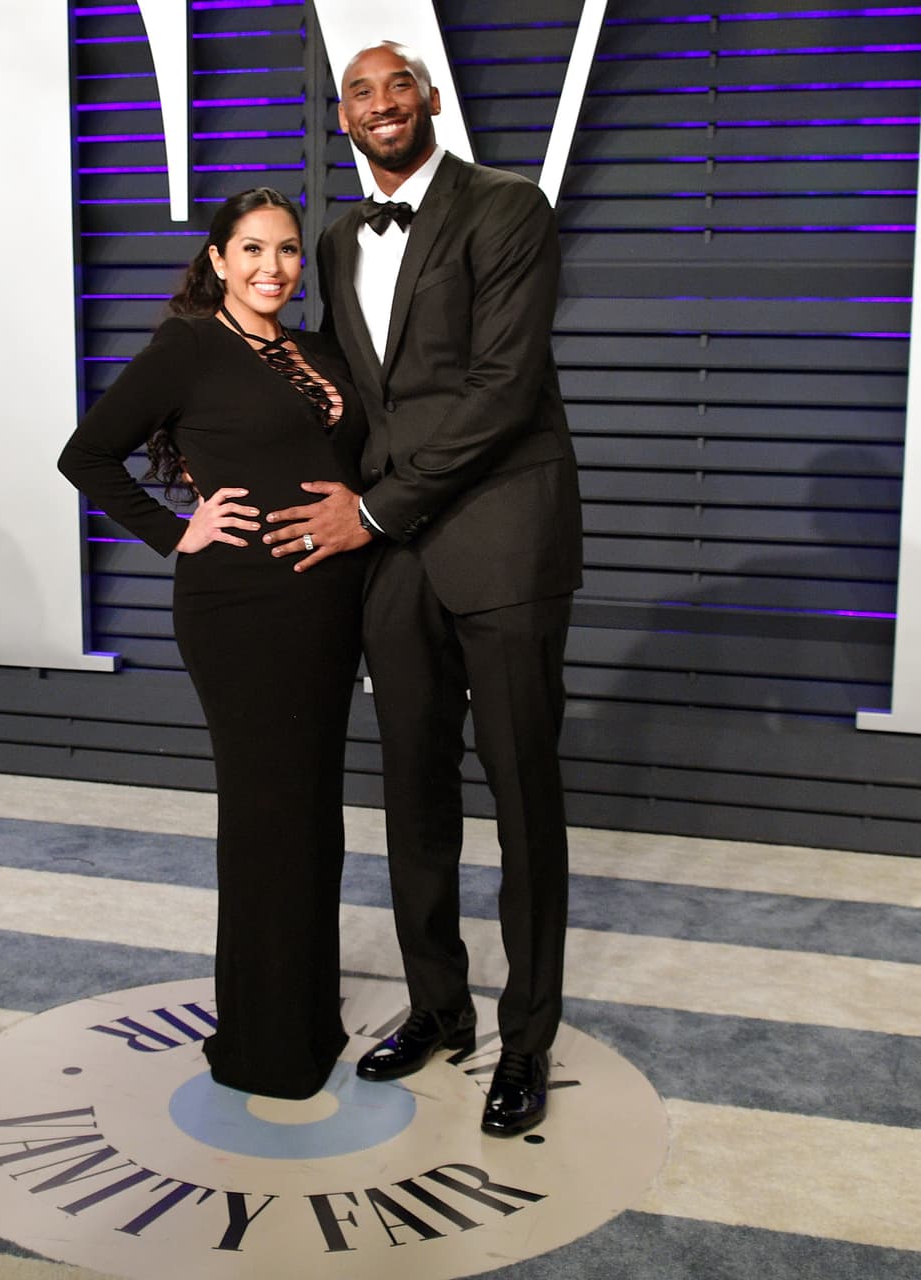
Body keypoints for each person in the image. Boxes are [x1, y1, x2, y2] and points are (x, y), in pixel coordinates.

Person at [261, 41, 583, 1137]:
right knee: (412, 791)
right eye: (360, 91)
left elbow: (500, 388)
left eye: (397, 84)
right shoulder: (342, 234)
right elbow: (354, 392)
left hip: (500, 545)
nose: (381, 103)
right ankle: (438, 1004)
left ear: (429, 99)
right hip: (393, 563)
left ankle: (526, 1038)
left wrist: (378, 505)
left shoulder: (505, 208)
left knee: (522, 796)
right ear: (342, 117)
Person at [57, 188, 369, 1100]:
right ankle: (263, 1049)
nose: (273, 267)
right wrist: (172, 531)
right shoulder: (189, 345)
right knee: (268, 817)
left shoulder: (318, 351)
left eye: (287, 252)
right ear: (220, 260)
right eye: (253, 250)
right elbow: (87, 454)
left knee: (313, 817)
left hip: (327, 606)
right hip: (241, 609)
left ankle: (307, 1020)